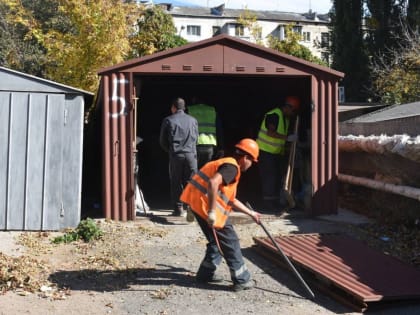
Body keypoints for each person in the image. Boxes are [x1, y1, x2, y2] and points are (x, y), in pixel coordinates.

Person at [180, 138, 261, 292]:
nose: (251, 166)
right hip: (206, 208)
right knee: (231, 242)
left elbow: (231, 200)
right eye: (252, 161)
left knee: (215, 242)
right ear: (245, 158)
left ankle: (206, 274)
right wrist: (211, 212)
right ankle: (241, 279)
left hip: (198, 205)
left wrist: (250, 213)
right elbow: (212, 183)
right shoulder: (232, 167)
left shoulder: (227, 164)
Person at [256, 96, 300, 212]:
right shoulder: (274, 115)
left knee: (275, 177)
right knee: (269, 177)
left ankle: (273, 201)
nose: (293, 114)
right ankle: (267, 204)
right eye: (293, 110)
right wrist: (288, 138)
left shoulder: (285, 119)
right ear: (288, 107)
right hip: (265, 152)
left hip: (275, 153)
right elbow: (271, 133)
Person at [159, 97, 198, 217]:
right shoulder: (193, 120)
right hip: (191, 155)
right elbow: (196, 137)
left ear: (173, 108)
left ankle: (179, 209)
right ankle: (191, 207)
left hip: (176, 155)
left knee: (176, 181)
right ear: (184, 108)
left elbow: (162, 140)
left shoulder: (168, 120)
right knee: (191, 181)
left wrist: (170, 150)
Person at [188, 97, 224, 169]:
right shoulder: (212, 111)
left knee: (192, 172)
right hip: (209, 146)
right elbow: (219, 130)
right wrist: (221, 147)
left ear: (194, 100)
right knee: (206, 171)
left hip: (193, 146)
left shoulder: (189, 110)